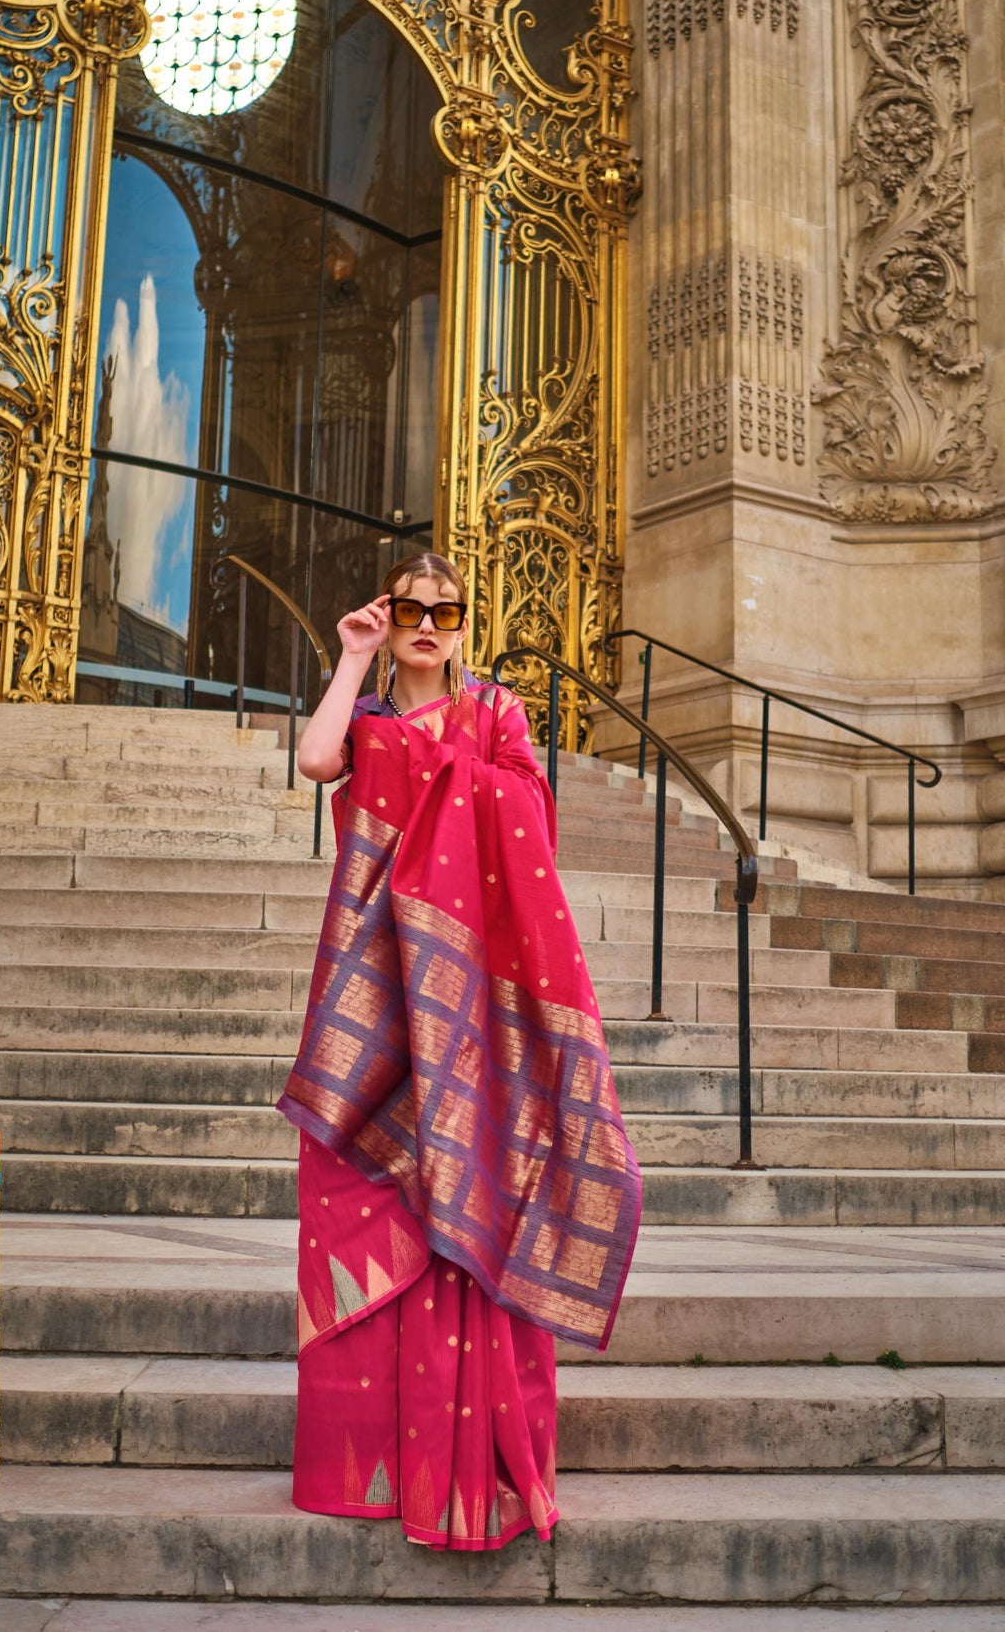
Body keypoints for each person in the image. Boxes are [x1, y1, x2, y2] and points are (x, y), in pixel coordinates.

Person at [274, 550, 642, 1551]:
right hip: (373, 983)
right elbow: (315, 764)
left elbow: (527, 815)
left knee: (468, 1186)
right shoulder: (376, 717)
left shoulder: (497, 716)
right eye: (408, 611)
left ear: (468, 624)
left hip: (469, 994)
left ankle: (464, 1467)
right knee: (365, 1190)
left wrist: (447, 776)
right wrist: (350, 660)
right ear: (386, 618)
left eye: (446, 612)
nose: (427, 626)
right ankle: (374, 1466)